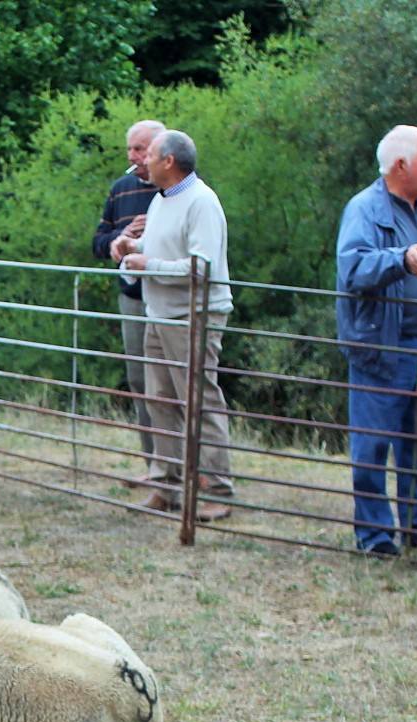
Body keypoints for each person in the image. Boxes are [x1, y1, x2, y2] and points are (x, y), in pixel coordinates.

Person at [335, 124, 417, 556]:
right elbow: (352, 270)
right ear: (401, 164)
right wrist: (401, 260)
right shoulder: (364, 209)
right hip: (385, 341)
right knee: (373, 441)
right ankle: (374, 535)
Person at [109, 129, 236, 521]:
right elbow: (165, 247)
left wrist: (151, 266)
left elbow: (201, 266)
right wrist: (133, 248)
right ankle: (166, 484)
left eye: (150, 155)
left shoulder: (202, 202)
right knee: (160, 400)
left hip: (193, 316)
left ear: (169, 162)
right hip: (160, 313)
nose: (141, 161)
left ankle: (216, 489)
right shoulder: (163, 200)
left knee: (199, 400)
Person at [91, 119, 166, 487]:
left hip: (171, 298)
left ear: (160, 153)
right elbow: (97, 240)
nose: (134, 156)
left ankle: (189, 468)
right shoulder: (120, 189)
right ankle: (154, 465)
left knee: (174, 382)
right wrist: (120, 238)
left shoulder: (180, 190)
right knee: (139, 380)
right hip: (132, 298)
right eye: (131, 149)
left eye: (141, 149)